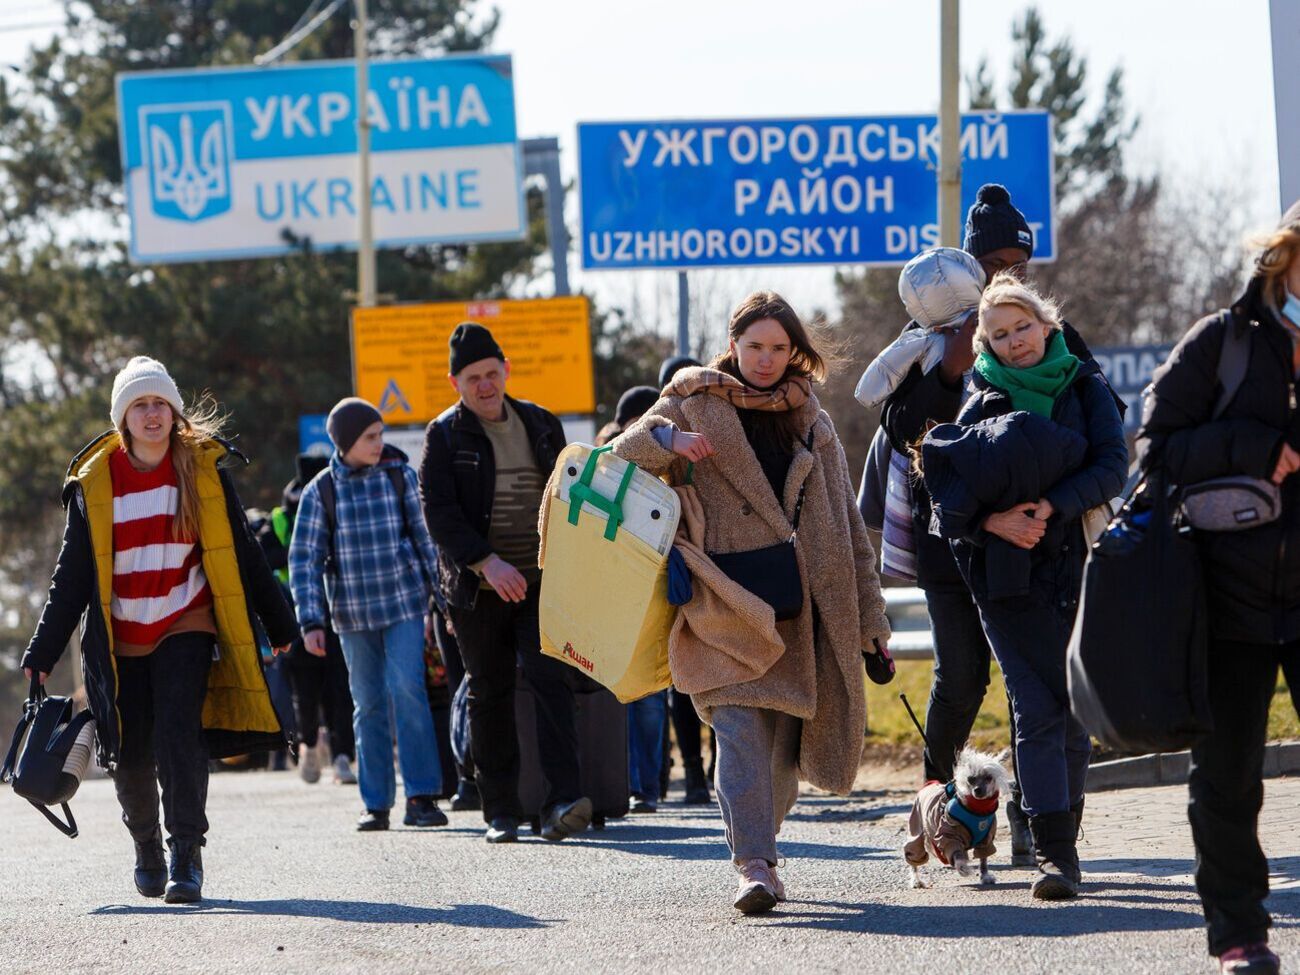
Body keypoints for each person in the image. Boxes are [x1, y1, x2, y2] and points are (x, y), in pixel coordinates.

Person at [610, 292, 892, 913]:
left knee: (779, 760)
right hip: (719, 598)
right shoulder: (689, 405)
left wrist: (872, 621)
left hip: (798, 605)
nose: (766, 360)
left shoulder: (811, 420)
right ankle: (755, 867)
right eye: (755, 345)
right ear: (733, 344)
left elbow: (846, 523)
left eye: (779, 348)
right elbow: (613, 463)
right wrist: (667, 442)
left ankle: (763, 839)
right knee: (736, 732)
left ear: (795, 353)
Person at [20, 356, 297, 904]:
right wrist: (42, 651)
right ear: (123, 419)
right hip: (121, 634)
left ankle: (186, 853)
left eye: (160, 404)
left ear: (174, 411)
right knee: (131, 747)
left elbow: (242, 551)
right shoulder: (96, 483)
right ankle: (146, 845)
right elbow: (72, 578)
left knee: (179, 733)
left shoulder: (202, 470)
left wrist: (280, 619)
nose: (152, 415)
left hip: (184, 620)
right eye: (140, 406)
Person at [923, 274, 1126, 900]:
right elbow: (948, 491)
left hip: (1078, 568)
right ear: (987, 344)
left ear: (1047, 325)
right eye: (1001, 335)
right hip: (1005, 579)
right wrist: (994, 519)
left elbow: (1111, 467)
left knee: (1072, 712)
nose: (1015, 343)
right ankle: (1053, 857)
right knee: (1038, 707)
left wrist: (1049, 507)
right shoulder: (979, 394)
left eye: (1023, 328)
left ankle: (1064, 841)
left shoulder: (1084, 384)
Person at [1137, 202, 1300, 975]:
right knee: (1228, 775)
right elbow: (1156, 449)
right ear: (1284, 257)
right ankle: (1239, 932)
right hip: (1226, 600)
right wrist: (1256, 446)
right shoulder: (1225, 342)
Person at [877, 184, 1042, 865]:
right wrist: (947, 374)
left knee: (1029, 678)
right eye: (994, 262)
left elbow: (1080, 400)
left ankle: (1037, 818)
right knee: (963, 675)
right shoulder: (934, 335)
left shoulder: (1034, 322)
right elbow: (895, 426)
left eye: (1018, 263)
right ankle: (933, 805)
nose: (1008, 276)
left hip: (1028, 539)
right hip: (949, 541)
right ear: (969, 267)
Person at [420, 322, 591, 845]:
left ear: (506, 371)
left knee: (550, 680)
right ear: (456, 383)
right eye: (474, 378)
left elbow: (568, 497)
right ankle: (501, 811)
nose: (485, 385)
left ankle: (562, 801)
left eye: (493, 373)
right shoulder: (444, 435)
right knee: (489, 691)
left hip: (540, 582)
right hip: (478, 590)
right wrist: (486, 562)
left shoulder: (541, 423)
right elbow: (439, 513)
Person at [289, 398, 447, 832]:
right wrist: (310, 621)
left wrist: (443, 601)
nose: (380, 443)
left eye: (381, 435)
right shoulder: (321, 491)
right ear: (344, 443)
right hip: (351, 616)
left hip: (404, 606)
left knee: (407, 689)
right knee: (369, 704)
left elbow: (426, 542)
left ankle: (421, 796)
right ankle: (375, 803)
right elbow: (304, 559)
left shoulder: (400, 477)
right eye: (370, 437)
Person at [259, 454, 357, 786]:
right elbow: (264, 556)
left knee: (340, 690)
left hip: (337, 610)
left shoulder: (338, 505)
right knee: (305, 691)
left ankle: (343, 757)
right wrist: (307, 551)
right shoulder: (281, 519)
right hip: (296, 613)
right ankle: (310, 747)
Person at [597, 385, 666, 813]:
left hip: (652, 595)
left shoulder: (669, 463)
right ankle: (623, 781)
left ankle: (649, 786)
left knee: (651, 701)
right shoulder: (601, 465)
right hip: (609, 595)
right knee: (615, 697)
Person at [657, 355, 716, 806]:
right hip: (673, 572)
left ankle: (715, 769)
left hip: (718, 571)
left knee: (716, 676)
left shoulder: (722, 431)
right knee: (683, 678)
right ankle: (695, 773)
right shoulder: (657, 435)